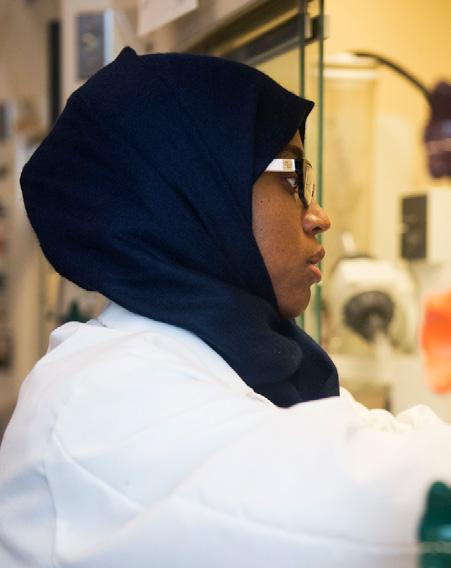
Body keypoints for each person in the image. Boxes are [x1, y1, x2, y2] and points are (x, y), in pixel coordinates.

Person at [0, 47, 449, 568]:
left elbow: (375, 439)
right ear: (193, 192)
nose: (319, 216)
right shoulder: (106, 395)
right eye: (292, 178)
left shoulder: (230, 363)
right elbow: (368, 513)